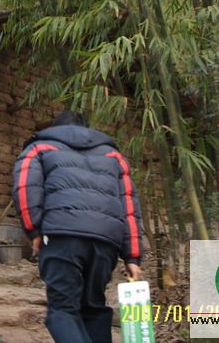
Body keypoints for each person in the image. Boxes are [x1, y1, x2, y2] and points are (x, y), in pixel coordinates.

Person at [12, 111, 144, 343]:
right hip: (105, 242)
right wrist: (132, 256)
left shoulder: (38, 148)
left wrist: (33, 230)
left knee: (62, 310)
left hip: (62, 235)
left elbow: (25, 188)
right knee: (94, 308)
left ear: (55, 128)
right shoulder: (114, 156)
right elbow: (129, 207)